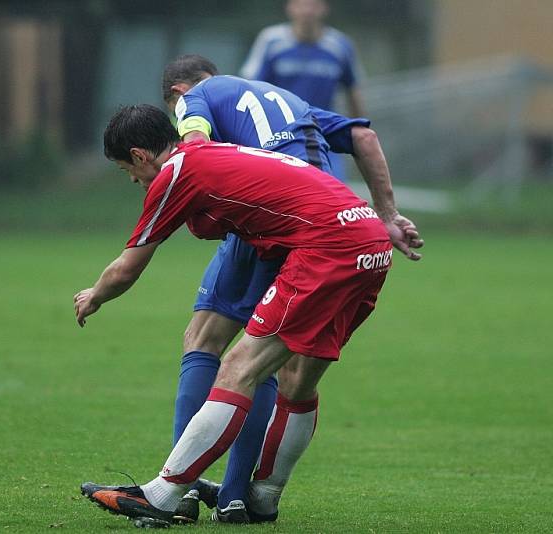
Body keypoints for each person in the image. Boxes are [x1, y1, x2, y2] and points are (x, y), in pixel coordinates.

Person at [76, 104, 423, 526]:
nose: (132, 180)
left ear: (140, 155)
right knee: (297, 381)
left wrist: (95, 294)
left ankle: (163, 495)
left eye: (126, 170)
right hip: (368, 239)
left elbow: (129, 266)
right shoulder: (214, 153)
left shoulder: (176, 171)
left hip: (330, 247)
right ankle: (262, 497)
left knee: (239, 368)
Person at [159, 54, 420, 524]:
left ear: (178, 93)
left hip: (279, 221)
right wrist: (387, 214)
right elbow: (363, 135)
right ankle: (244, 496)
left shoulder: (193, 99)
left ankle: (179, 493)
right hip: (341, 227)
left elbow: (193, 146)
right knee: (285, 367)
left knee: (210, 341)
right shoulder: (287, 100)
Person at [240, 0, 365, 180]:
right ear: (290, 8)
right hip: (280, 134)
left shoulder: (340, 45)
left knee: (334, 193)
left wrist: (357, 136)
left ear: (324, 9)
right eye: (301, 4)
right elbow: (250, 88)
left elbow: (354, 90)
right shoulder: (271, 41)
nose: (307, 11)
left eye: (313, 5)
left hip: (325, 134)